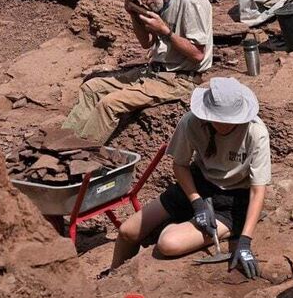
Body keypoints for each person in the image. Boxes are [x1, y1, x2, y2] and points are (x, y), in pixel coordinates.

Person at [110, 78, 270, 279]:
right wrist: (197, 203)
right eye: (217, 118)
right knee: (127, 231)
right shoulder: (191, 123)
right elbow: (180, 165)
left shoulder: (256, 132)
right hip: (197, 184)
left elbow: (258, 190)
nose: (223, 125)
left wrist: (245, 242)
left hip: (234, 198)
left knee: (167, 243)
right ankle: (113, 278)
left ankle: (231, 228)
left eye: (229, 120)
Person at [62, 0, 213, 144]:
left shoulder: (190, 1)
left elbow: (197, 54)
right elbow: (147, 43)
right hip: (155, 72)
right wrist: (134, 14)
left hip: (180, 79)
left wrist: (165, 31)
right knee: (91, 88)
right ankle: (62, 142)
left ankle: (81, 153)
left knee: (109, 104)